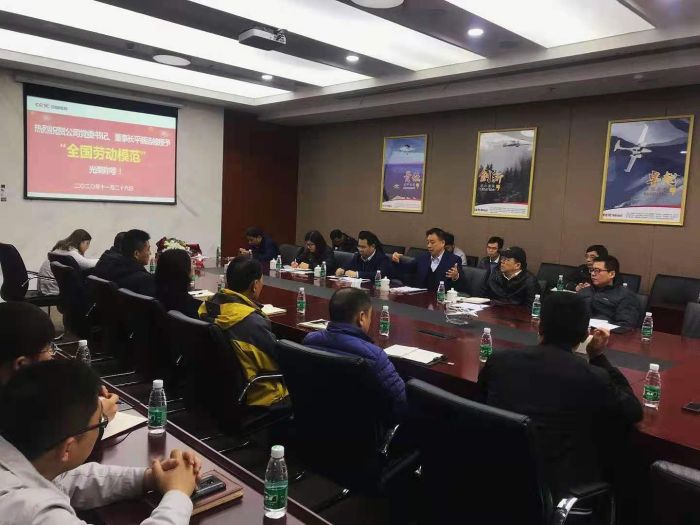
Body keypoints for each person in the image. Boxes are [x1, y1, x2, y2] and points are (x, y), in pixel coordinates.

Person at [477, 293, 642, 500]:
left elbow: (480, 400)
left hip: (496, 470)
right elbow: (633, 411)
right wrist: (598, 357)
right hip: (555, 487)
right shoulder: (592, 376)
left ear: (539, 327)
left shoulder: (500, 360)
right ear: (585, 335)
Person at [0, 360, 202, 525]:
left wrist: (148, 478)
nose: (102, 425)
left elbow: (66, 480)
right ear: (67, 448)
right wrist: (178, 494)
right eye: (101, 421)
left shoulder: (26, 461)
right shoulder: (33, 513)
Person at [0, 302, 119, 421]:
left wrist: (82, 388)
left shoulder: (12, 385)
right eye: (48, 349)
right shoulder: (13, 417)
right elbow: (61, 431)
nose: (52, 355)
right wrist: (100, 416)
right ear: (22, 364)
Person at [303, 287, 406, 423]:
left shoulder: (310, 340)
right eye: (370, 316)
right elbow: (399, 404)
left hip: (314, 421)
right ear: (361, 317)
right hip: (361, 430)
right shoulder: (375, 356)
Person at [198, 256, 288, 407]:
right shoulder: (251, 322)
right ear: (255, 285)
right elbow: (278, 361)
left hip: (216, 388)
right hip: (260, 394)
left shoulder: (208, 306)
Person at [391, 228, 465, 292]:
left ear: (442, 243)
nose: (429, 246)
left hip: (441, 299)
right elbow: (407, 269)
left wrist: (456, 277)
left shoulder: (454, 260)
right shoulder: (423, 258)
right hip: (420, 297)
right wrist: (397, 260)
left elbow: (461, 285)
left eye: (432, 242)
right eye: (428, 242)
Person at [577, 255, 640, 329]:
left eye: (597, 270)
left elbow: (625, 326)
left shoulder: (625, 296)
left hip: (605, 333)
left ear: (612, 274)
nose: (593, 274)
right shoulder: (585, 290)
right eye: (592, 270)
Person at [94, 229, 155, 297]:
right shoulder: (144, 280)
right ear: (136, 254)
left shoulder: (112, 267)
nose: (150, 253)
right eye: (148, 249)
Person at [39, 229, 98, 295]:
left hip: (45, 286)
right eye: (87, 243)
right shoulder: (71, 252)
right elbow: (87, 264)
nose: (88, 247)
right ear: (80, 242)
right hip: (54, 289)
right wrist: (103, 259)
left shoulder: (61, 248)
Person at [155, 248, 200, 319]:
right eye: (191, 264)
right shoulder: (188, 305)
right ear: (184, 271)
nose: (193, 266)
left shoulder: (157, 296)